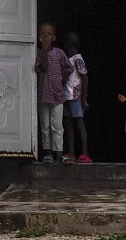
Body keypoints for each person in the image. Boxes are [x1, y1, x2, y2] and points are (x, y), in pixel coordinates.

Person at [35, 22, 72, 163]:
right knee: (45, 126)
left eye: (48, 34)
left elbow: (68, 68)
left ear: (54, 37)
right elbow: (43, 67)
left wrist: (62, 78)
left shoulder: (59, 53)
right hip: (43, 97)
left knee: (57, 126)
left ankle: (59, 153)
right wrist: (43, 50)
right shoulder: (38, 53)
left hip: (57, 96)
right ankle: (48, 153)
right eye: (43, 34)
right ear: (39, 37)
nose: (46, 36)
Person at [62, 32, 91, 163]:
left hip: (75, 96)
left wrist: (84, 98)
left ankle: (85, 153)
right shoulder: (69, 59)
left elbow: (85, 77)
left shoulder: (77, 59)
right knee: (68, 124)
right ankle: (71, 152)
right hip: (66, 96)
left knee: (79, 123)